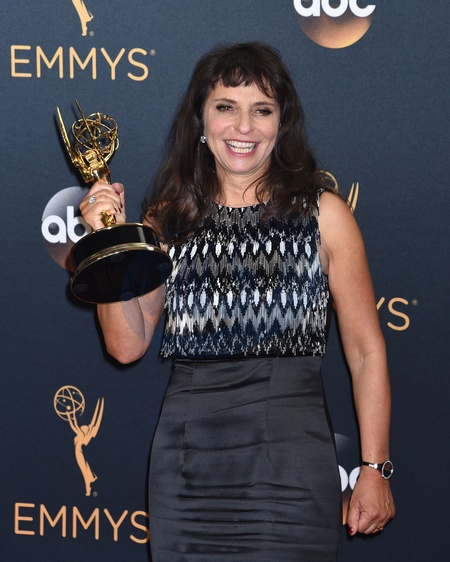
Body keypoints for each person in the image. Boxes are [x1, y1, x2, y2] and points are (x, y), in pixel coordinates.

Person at [79, 42, 395, 561]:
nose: (243, 127)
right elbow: (126, 346)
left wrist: (375, 468)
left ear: (281, 124)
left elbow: (366, 351)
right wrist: (107, 242)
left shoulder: (324, 216)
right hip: (185, 474)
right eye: (226, 107)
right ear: (200, 122)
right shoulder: (168, 221)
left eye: (262, 110)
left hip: (292, 472)